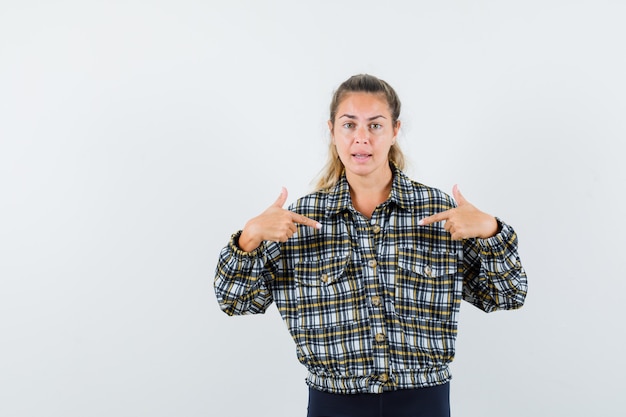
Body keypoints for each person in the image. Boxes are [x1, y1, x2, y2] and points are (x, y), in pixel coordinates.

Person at [213, 74, 528, 417]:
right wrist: (250, 237)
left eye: (375, 125)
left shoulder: (439, 215)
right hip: (333, 403)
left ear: (395, 131)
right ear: (332, 131)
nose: (361, 137)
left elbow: (506, 296)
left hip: (424, 402)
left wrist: (491, 232)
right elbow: (236, 302)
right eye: (349, 125)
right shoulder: (296, 223)